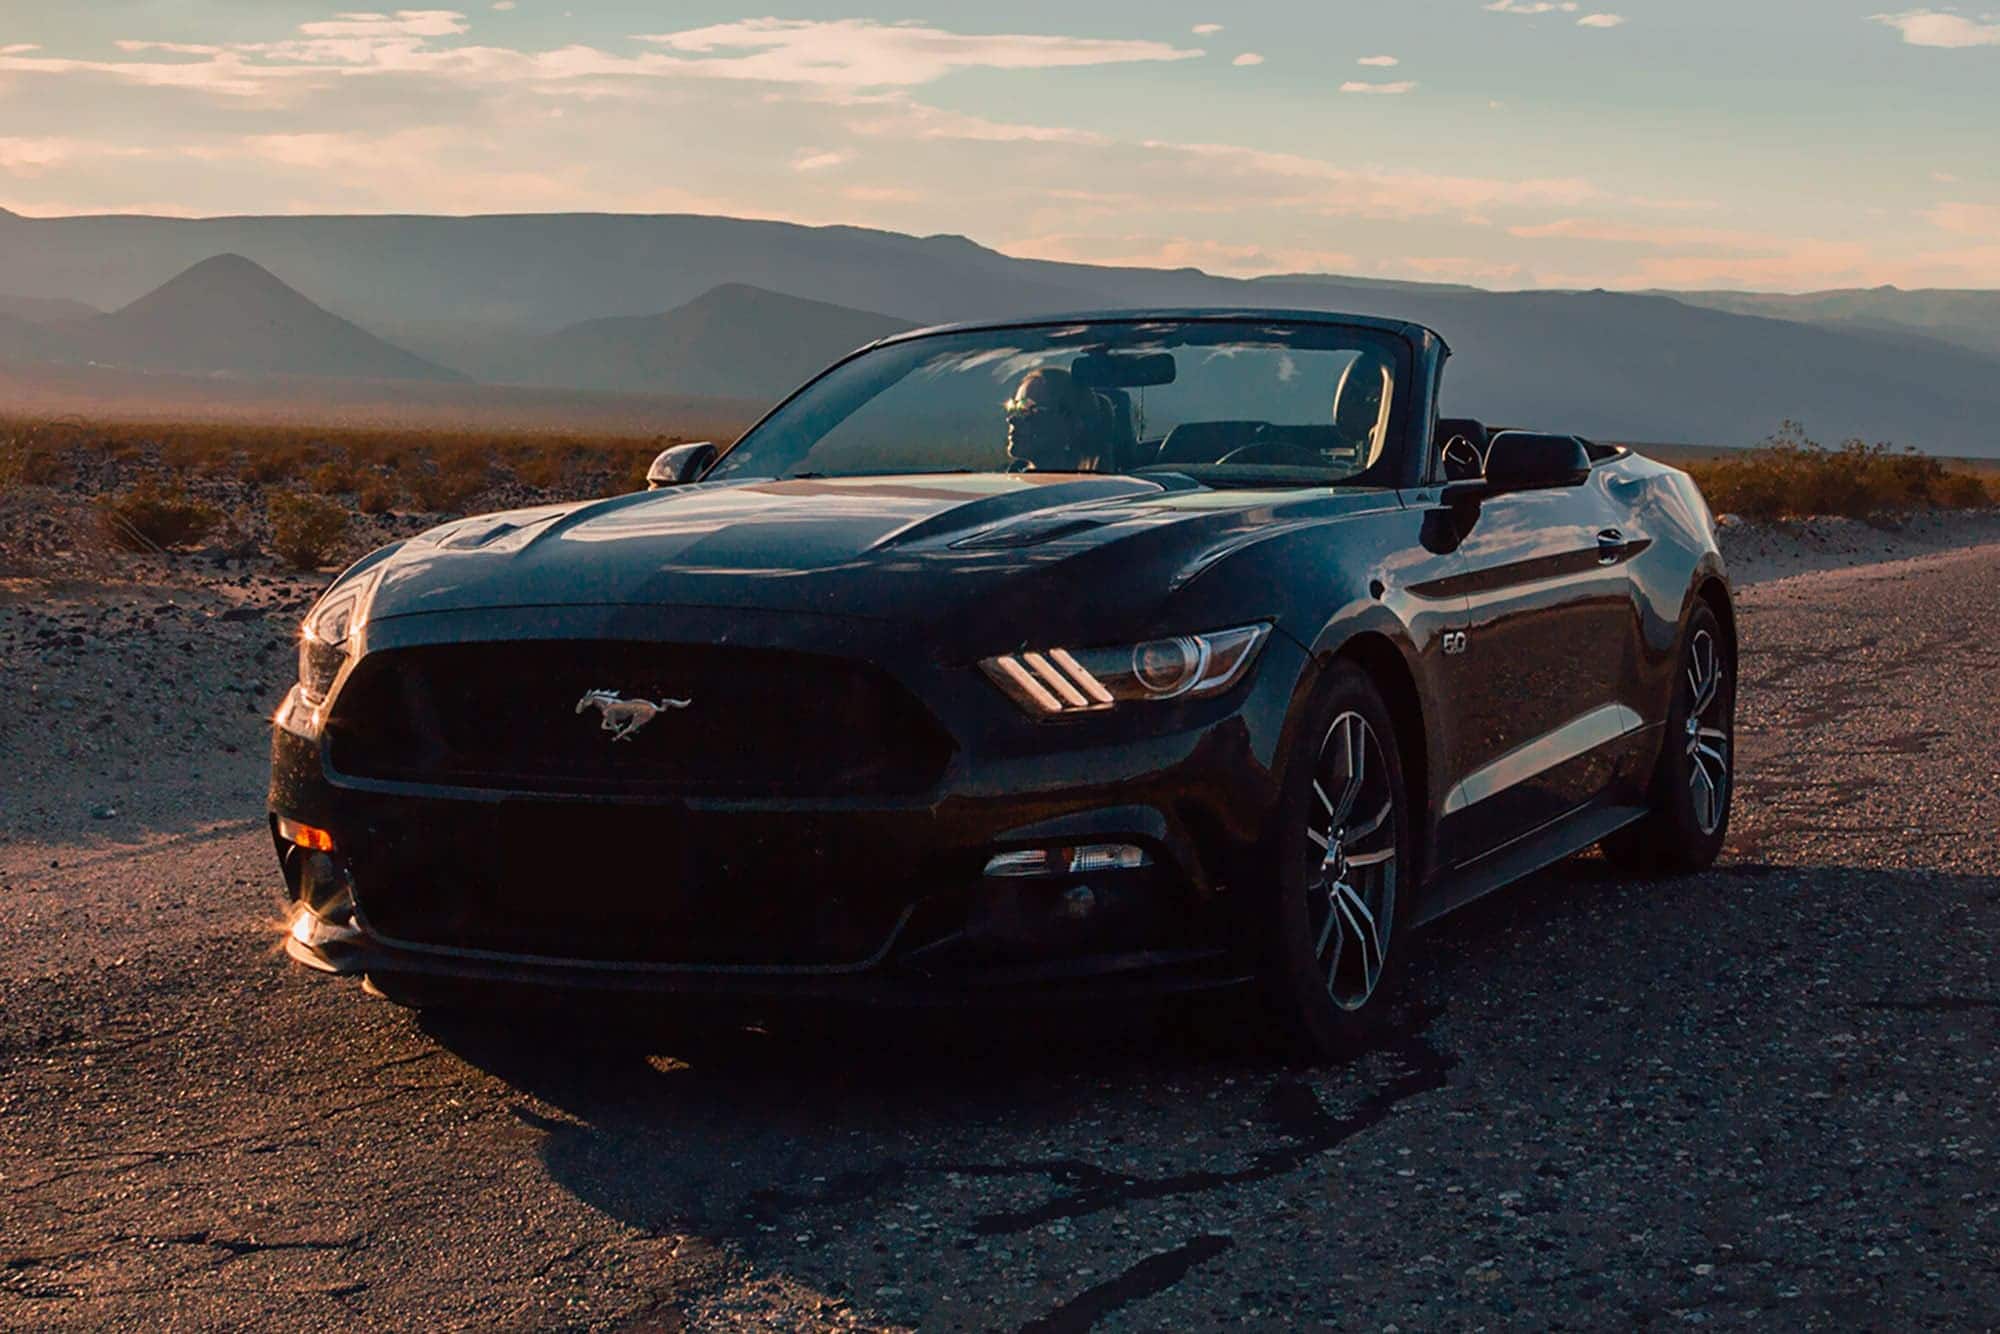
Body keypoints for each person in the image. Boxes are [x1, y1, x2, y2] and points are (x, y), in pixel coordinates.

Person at [1004, 367, 1103, 472]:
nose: (1012, 419)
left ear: (1071, 425)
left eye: (1028, 409)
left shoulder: (1093, 487)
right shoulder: (1005, 483)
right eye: (1013, 407)